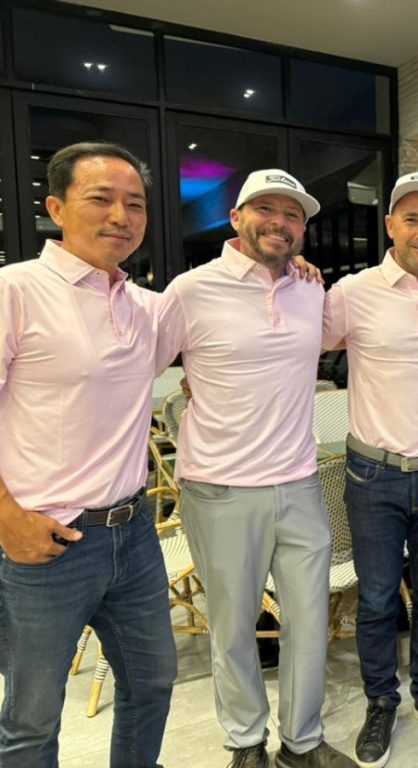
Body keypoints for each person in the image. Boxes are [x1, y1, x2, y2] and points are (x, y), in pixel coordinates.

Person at [156, 170, 355, 768]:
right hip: (220, 490)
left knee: (309, 623)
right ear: (236, 217)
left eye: (293, 214)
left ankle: (302, 741)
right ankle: (246, 744)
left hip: (299, 482)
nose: (280, 222)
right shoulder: (190, 290)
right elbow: (136, 369)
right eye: (266, 209)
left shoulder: (310, 290)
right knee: (234, 629)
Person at [0, 142, 177, 767]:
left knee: (152, 683)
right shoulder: (15, 290)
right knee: (32, 717)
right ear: (55, 207)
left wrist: (292, 268)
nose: (121, 217)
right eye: (101, 199)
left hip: (134, 531)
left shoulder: (147, 307)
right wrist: (6, 517)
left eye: (135, 204)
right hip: (47, 541)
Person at [322, 171, 418, 768]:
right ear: (390, 225)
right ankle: (380, 702)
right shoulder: (351, 293)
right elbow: (296, 345)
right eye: (411, 219)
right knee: (377, 599)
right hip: (375, 475)